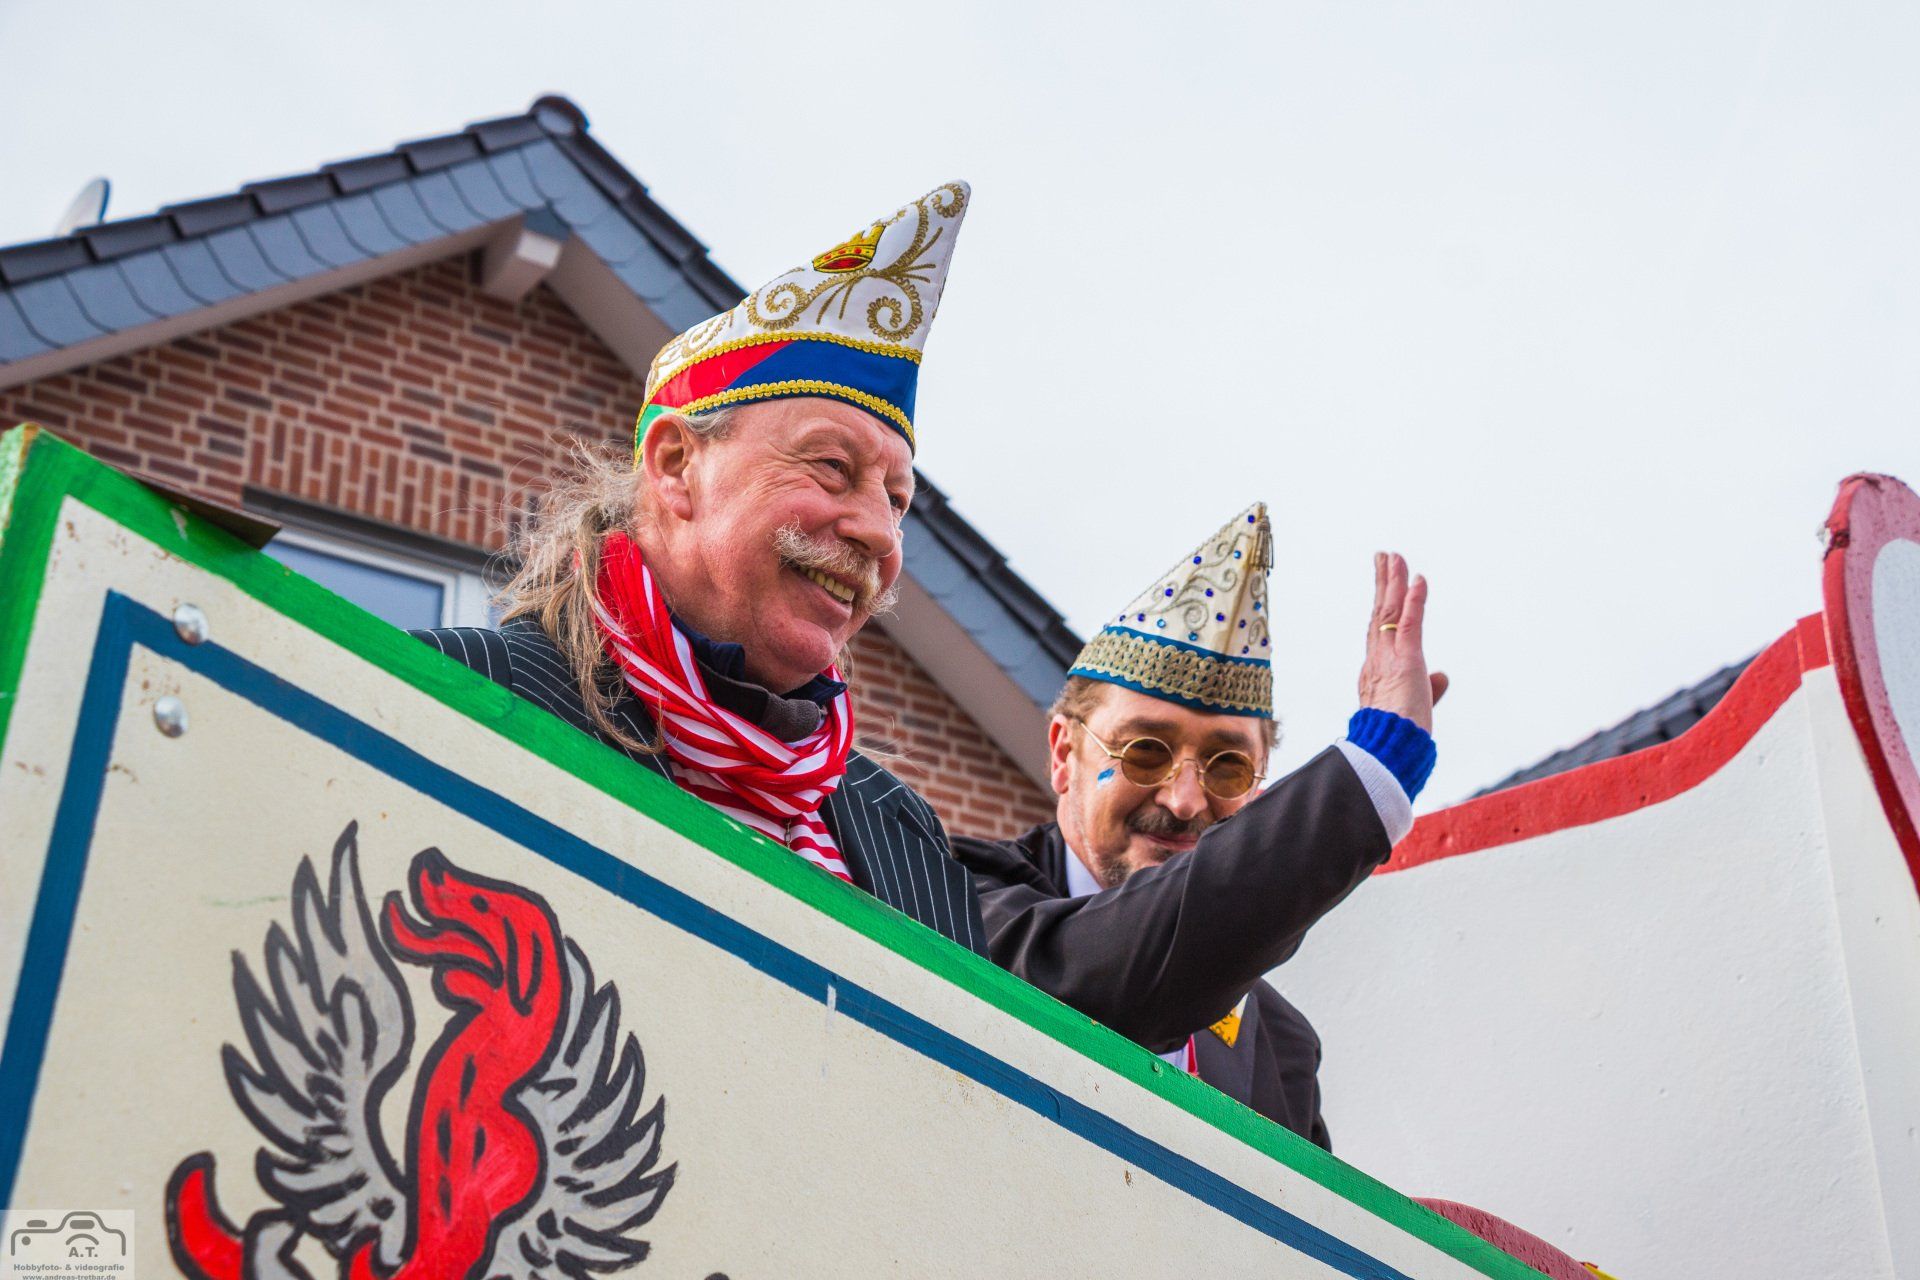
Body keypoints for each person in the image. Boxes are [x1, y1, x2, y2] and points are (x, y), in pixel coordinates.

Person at [412, 181, 990, 953]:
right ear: (676, 464)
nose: (880, 535)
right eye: (831, 467)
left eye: (896, 501)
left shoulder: (908, 839)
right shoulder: (453, 692)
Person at [951, 503, 1446, 1145]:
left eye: (1229, 767)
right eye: (1145, 752)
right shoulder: (960, 892)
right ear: (1064, 754)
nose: (1185, 801)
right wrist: (1374, 770)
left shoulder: (1283, 1046)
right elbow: (1110, 968)